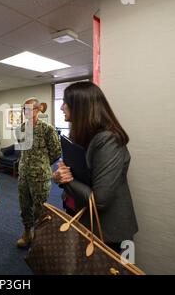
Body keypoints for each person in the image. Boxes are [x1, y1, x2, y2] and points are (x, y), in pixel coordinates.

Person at [55, 82, 138, 253]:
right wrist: (60, 175)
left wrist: (65, 181)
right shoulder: (81, 136)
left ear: (80, 107)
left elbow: (99, 200)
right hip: (81, 215)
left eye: (65, 102)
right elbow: (74, 174)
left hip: (109, 231)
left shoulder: (109, 140)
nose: (62, 107)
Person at [15, 98, 62, 248]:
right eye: (24, 109)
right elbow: (22, 150)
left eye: (29, 109)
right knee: (25, 205)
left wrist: (42, 165)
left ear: (37, 110)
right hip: (23, 175)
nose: (26, 112)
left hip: (40, 177)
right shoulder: (21, 129)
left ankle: (39, 236)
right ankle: (27, 232)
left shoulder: (48, 129)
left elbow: (56, 152)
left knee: (40, 208)